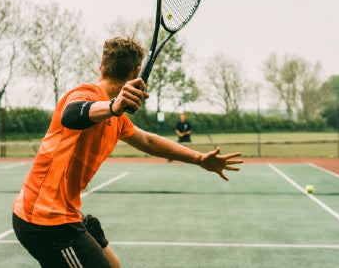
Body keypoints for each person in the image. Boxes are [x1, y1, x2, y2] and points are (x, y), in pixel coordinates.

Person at [12, 36, 242, 268]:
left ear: (101, 66)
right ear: (137, 71)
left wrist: (200, 159)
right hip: (43, 221)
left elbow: (148, 141)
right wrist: (113, 106)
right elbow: (72, 114)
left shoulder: (117, 118)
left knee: (113, 264)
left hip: (62, 213)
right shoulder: (87, 95)